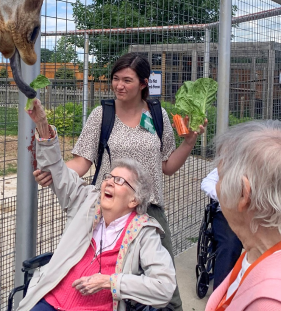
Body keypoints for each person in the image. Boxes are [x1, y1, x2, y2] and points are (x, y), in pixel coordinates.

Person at [34, 53, 206, 311]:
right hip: (109, 211)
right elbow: (82, 163)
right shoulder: (102, 115)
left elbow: (167, 166)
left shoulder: (158, 116)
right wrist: (57, 174)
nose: (119, 85)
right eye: (116, 79)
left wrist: (189, 142)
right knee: (100, 276)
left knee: (167, 296)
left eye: (127, 80)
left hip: (150, 210)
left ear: (144, 83)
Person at [18, 99, 177, 311]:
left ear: (134, 199)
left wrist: (110, 282)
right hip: (52, 300)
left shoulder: (143, 233)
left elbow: (164, 286)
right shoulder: (86, 202)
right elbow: (58, 170)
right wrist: (43, 126)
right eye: (109, 177)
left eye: (120, 181)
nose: (109, 181)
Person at [205, 120, 281, 311]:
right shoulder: (260, 252)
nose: (216, 185)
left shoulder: (272, 303)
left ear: (243, 193)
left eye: (219, 176)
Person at [201, 168, 243, 289]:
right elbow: (207, 183)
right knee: (229, 243)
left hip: (258, 215)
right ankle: (221, 295)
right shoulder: (230, 162)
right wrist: (225, 197)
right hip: (227, 212)